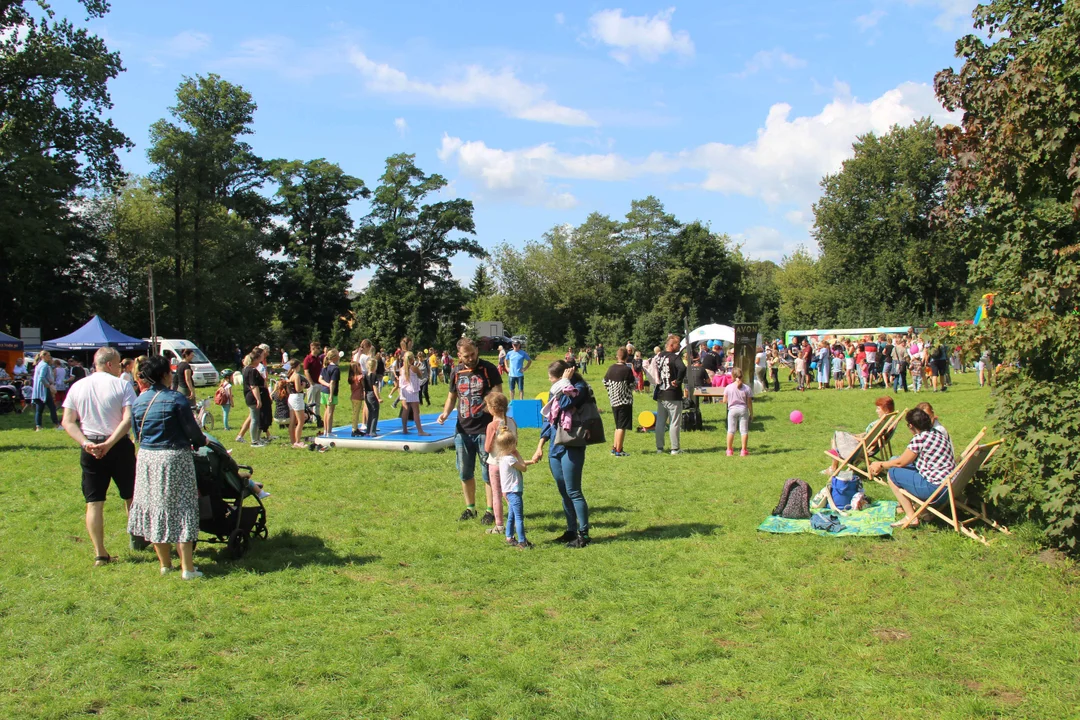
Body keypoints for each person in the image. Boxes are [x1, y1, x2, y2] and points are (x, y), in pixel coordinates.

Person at [127, 355, 207, 579]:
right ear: (164, 375)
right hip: (173, 458)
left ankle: (165, 565)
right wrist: (203, 441)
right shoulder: (176, 399)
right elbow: (194, 434)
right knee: (183, 508)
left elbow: (136, 434)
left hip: (146, 458)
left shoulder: (139, 401)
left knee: (155, 509)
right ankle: (188, 569)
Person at [60, 347, 140, 566]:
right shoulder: (122, 385)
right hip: (118, 445)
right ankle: (137, 538)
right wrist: (110, 443)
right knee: (131, 495)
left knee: (94, 502)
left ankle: (100, 553)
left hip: (91, 446)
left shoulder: (77, 386)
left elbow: (67, 421)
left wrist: (86, 443)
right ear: (110, 364)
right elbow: (127, 420)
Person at [437, 338, 503, 523]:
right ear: (459, 356)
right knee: (465, 472)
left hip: (485, 430)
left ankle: (490, 510)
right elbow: (452, 397)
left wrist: (496, 416)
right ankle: (470, 508)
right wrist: (445, 413)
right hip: (462, 430)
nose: (471, 358)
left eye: (473, 354)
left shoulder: (489, 369)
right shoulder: (456, 371)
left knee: (487, 472)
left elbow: (499, 395)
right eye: (467, 356)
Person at [530, 361, 591, 548]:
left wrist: (564, 382)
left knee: (574, 491)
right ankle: (571, 530)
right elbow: (549, 419)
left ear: (564, 375)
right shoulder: (556, 388)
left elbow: (565, 403)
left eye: (552, 377)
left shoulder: (579, 388)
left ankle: (584, 534)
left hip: (572, 445)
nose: (550, 381)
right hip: (555, 448)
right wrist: (540, 445)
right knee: (564, 492)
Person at [870, 408, 956, 529]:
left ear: (911, 425)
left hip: (936, 490)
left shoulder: (920, 438)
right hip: (951, 485)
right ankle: (917, 511)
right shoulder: (938, 433)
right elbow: (906, 460)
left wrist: (880, 464)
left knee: (893, 473)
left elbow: (901, 463)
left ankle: (910, 516)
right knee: (895, 462)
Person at [483, 392, 517, 538]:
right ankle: (515, 521)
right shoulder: (512, 422)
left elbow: (487, 447)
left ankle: (499, 525)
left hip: (496, 464)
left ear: (491, 408)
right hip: (510, 463)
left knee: (497, 494)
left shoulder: (492, 425)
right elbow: (515, 443)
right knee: (509, 494)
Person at [653, 334, 686, 455]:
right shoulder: (675, 357)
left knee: (660, 422)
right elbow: (682, 368)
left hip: (661, 393)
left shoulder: (659, 356)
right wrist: (677, 381)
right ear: (671, 345)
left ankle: (659, 448)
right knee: (674, 421)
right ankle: (675, 448)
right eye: (678, 344)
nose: (680, 346)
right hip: (672, 393)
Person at [498, 428, 531, 549]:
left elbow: (521, 465)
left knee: (511, 514)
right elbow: (523, 467)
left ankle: (509, 536)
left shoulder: (502, 458)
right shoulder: (511, 459)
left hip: (507, 491)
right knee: (519, 517)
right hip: (514, 491)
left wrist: (531, 461)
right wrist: (518, 455)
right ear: (511, 445)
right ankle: (522, 541)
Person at [603, 347, 635, 457]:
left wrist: (611, 391)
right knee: (622, 426)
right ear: (627, 357)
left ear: (617, 356)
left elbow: (605, 382)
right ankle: (619, 450)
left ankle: (615, 447)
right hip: (624, 401)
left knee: (618, 426)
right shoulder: (627, 370)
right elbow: (632, 385)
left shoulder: (611, 368)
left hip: (613, 400)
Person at [723, 367, 753, 456]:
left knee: (731, 430)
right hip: (743, 409)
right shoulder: (746, 388)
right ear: (742, 376)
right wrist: (751, 412)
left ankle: (729, 450)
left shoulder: (728, 387)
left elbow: (725, 400)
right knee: (744, 431)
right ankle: (743, 450)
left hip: (732, 410)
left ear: (732, 376)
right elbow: (749, 402)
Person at [398, 351, 428, 435]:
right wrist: (417, 368)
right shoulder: (414, 368)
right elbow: (420, 376)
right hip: (412, 391)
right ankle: (420, 431)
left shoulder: (401, 369)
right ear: (412, 359)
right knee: (416, 411)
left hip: (404, 390)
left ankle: (404, 429)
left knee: (405, 410)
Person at [241, 348, 267, 446]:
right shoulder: (251, 370)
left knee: (255, 418)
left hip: (250, 396)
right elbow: (253, 386)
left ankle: (257, 439)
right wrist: (258, 400)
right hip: (252, 397)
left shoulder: (246, 369)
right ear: (255, 359)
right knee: (255, 419)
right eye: (260, 358)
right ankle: (254, 441)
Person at [31, 350, 59, 431]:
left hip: (37, 390)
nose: (49, 357)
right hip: (44, 390)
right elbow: (42, 377)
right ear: (43, 356)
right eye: (48, 355)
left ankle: (38, 426)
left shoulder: (39, 365)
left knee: (39, 409)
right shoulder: (44, 365)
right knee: (52, 408)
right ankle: (57, 425)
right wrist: (48, 385)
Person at [319, 349, 341, 437]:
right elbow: (332, 382)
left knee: (326, 411)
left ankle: (325, 430)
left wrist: (326, 385)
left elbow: (320, 379)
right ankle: (329, 432)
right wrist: (331, 395)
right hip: (330, 392)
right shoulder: (336, 369)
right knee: (330, 412)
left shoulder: (325, 367)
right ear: (335, 358)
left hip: (323, 391)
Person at [285, 362, 308, 448]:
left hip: (291, 397)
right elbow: (298, 389)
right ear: (297, 366)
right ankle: (298, 441)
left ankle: (293, 441)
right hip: (297, 397)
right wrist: (303, 385)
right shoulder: (297, 375)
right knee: (300, 420)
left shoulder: (290, 375)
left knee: (292, 421)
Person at [363, 357, 383, 436]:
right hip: (372, 394)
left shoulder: (365, 375)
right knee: (375, 413)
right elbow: (375, 387)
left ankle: (368, 430)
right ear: (375, 366)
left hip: (367, 394)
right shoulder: (374, 376)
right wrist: (378, 398)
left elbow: (364, 387)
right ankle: (372, 431)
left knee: (370, 412)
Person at [348, 360, 366, 438]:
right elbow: (364, 386)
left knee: (356, 413)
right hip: (358, 397)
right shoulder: (359, 377)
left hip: (353, 397)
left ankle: (356, 428)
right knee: (356, 413)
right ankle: (354, 429)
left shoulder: (351, 378)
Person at [302, 342, 323, 407]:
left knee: (317, 404)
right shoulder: (308, 359)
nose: (320, 350)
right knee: (311, 403)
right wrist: (311, 383)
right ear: (313, 348)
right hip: (312, 384)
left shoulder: (319, 358)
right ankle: (310, 417)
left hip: (319, 383)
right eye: (318, 348)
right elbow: (306, 372)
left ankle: (316, 417)